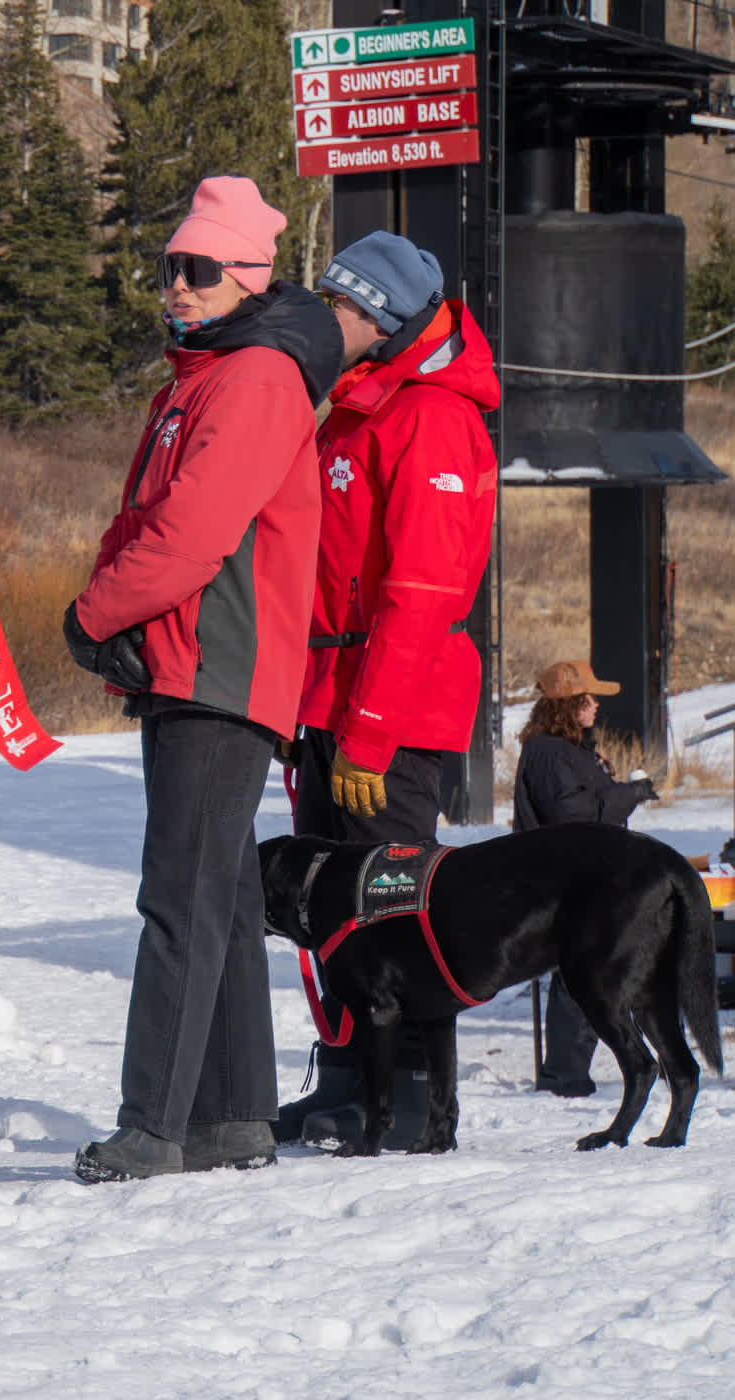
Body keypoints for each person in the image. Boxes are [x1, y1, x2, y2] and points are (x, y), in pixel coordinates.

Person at [64, 176, 340, 1183]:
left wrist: (95, 615)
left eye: (202, 269)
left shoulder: (253, 378)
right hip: (194, 664)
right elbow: (145, 519)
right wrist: (115, 607)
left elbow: (191, 532)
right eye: (172, 265)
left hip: (220, 669)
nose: (179, 283)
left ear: (250, 278)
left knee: (178, 899)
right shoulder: (205, 374)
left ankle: (152, 1126)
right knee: (216, 897)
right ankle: (232, 1116)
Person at [274, 230, 502, 1149]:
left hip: (395, 709)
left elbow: (422, 593)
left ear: (385, 319)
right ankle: (345, 1079)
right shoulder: (356, 406)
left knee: (393, 906)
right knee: (331, 903)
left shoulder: (432, 417)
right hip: (330, 692)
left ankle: (410, 1091)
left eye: (340, 304)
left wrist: (369, 735)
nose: (325, 315)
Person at [513, 658, 659, 1096]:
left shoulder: (571, 749)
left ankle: (573, 1073)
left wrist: (625, 792)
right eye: (588, 698)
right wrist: (628, 794)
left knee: (596, 972)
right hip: (562, 884)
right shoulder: (546, 752)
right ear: (566, 704)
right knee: (579, 976)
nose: (596, 705)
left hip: (588, 877)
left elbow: (589, 801)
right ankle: (564, 1077)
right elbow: (570, 814)